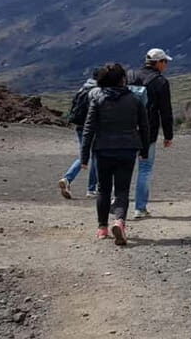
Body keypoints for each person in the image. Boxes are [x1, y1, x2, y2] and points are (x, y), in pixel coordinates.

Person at [80, 63, 149, 245]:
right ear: (122, 79)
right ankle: (119, 222)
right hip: (128, 148)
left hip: (103, 148)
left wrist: (84, 155)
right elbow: (144, 126)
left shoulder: (97, 98)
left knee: (103, 188)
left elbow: (89, 127)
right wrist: (144, 150)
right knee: (122, 189)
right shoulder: (134, 99)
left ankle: (102, 228)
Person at [127, 48, 174, 219]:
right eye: (165, 62)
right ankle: (140, 208)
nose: (166, 65)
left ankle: (117, 202)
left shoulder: (130, 75)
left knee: (123, 167)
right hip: (148, 131)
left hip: (127, 128)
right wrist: (168, 135)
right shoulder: (160, 82)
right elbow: (165, 112)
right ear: (159, 63)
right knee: (145, 169)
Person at [58, 68, 100, 199]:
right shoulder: (96, 91)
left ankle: (67, 179)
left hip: (79, 126)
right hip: (92, 127)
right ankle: (91, 189)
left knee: (84, 154)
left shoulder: (83, 88)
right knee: (95, 156)